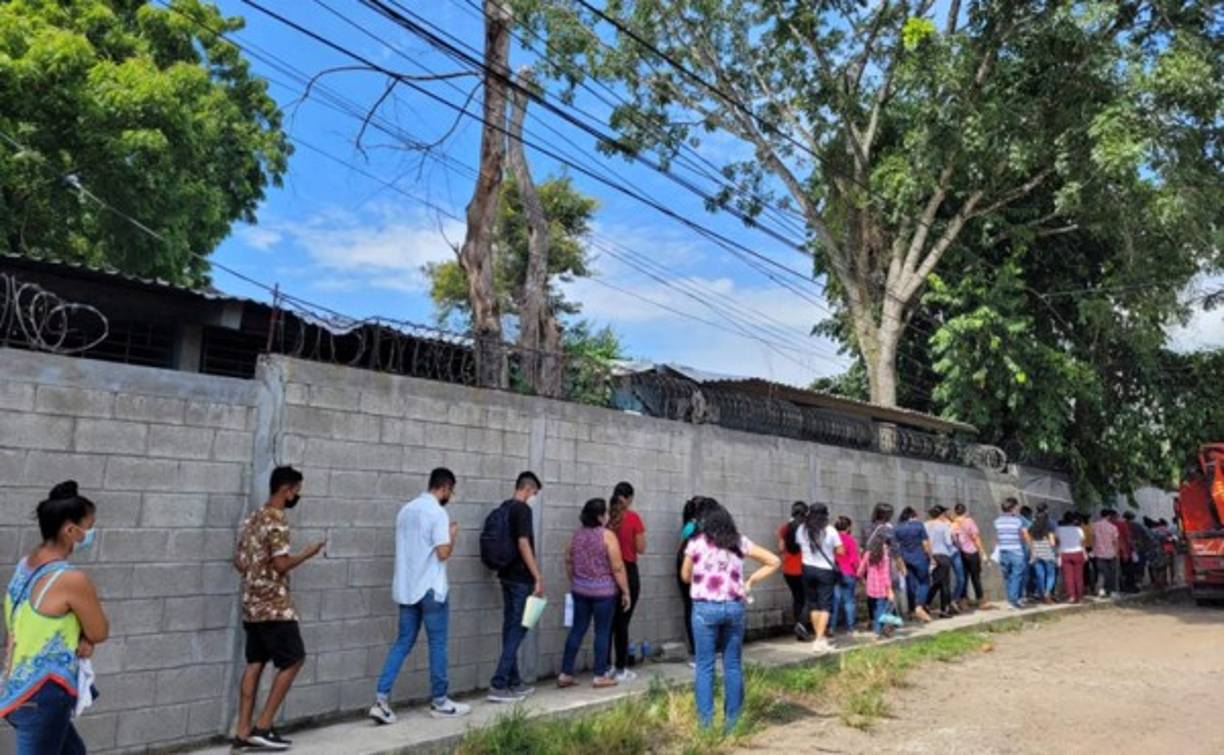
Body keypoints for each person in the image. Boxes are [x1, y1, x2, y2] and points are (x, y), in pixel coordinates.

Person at [2, 482, 108, 755]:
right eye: (89, 526)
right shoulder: (71, 579)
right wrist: (87, 636)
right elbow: (99, 630)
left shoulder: (26, 565)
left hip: (18, 685)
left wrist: (80, 636)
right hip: (44, 695)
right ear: (71, 531)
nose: (91, 534)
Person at [232, 467, 325, 750]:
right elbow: (281, 564)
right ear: (286, 489)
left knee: (255, 663)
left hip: (252, 605)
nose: (298, 495)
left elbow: (238, 561)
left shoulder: (253, 518)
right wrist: (307, 553)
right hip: (274, 606)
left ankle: (242, 730)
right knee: (294, 659)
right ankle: (263, 726)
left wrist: (255, 579)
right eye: (296, 490)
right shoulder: (277, 520)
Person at [369, 468, 469, 725]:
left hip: (407, 588)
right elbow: (443, 553)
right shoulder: (437, 513)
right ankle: (440, 701)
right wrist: (453, 534)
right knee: (438, 644)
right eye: (451, 491)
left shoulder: (406, 511)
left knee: (402, 642)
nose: (450, 496)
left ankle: (381, 700)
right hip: (431, 589)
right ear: (445, 487)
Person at [681, 502, 780, 732]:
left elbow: (685, 576)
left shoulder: (696, 543)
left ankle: (705, 727)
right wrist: (750, 582)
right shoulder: (739, 540)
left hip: (705, 609)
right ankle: (732, 726)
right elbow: (774, 561)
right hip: (734, 608)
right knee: (733, 666)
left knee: (705, 667)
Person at [558, 498, 632, 689]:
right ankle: (599, 675)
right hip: (603, 593)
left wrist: (574, 579)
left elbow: (568, 560)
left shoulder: (577, 535)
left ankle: (565, 673)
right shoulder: (607, 536)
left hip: (580, 590)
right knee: (602, 631)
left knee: (577, 629)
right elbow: (617, 566)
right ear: (600, 516)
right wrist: (625, 591)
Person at [488, 471, 544, 703]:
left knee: (510, 628)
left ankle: (514, 681)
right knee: (519, 629)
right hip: (521, 578)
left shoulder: (505, 507)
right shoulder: (523, 510)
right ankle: (499, 684)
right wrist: (537, 576)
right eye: (535, 493)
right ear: (528, 489)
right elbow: (523, 543)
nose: (535, 498)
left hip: (505, 576)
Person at [607, 482, 645, 682]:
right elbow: (641, 548)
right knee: (622, 623)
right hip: (627, 571)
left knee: (607, 623)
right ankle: (620, 667)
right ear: (629, 498)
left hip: (607, 573)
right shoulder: (633, 518)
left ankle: (605, 666)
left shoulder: (607, 519)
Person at [795, 503, 845, 652]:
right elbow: (840, 551)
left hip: (807, 569)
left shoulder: (801, 529)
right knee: (825, 606)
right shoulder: (830, 530)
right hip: (825, 571)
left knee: (813, 604)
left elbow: (800, 546)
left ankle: (820, 637)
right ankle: (818, 639)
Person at [862, 503, 906, 615]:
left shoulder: (866, 528)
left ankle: (874, 618)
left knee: (872, 592)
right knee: (887, 591)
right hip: (884, 564)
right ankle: (887, 620)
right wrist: (901, 566)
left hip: (870, 563)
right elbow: (895, 550)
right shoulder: (887, 529)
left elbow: (863, 548)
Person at [777, 501, 811, 641]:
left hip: (788, 570)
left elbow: (780, 548)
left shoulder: (784, 528)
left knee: (797, 599)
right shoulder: (807, 529)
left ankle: (798, 625)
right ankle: (802, 626)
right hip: (804, 569)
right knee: (808, 600)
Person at [894, 507, 933, 622]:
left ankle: (911, 611)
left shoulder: (897, 528)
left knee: (910, 585)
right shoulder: (919, 525)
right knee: (924, 582)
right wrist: (931, 556)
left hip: (905, 558)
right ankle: (919, 606)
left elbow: (895, 547)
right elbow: (925, 543)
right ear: (913, 515)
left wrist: (899, 562)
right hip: (919, 557)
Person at [994, 497, 1033, 609]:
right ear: (1012, 508)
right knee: (1017, 576)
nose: (1017, 509)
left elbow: (998, 537)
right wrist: (1032, 549)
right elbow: (1025, 536)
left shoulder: (997, 521)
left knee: (1008, 577)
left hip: (1003, 552)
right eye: (1016, 507)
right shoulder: (1018, 520)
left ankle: (1011, 599)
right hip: (1016, 551)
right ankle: (1013, 600)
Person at [857, 526, 896, 638]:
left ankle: (881, 628)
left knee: (875, 609)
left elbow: (861, 569)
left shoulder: (868, 553)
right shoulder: (884, 557)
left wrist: (860, 578)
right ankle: (878, 631)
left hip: (870, 587)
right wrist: (889, 590)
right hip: (882, 588)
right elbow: (885, 576)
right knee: (880, 609)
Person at [677, 498, 700, 658]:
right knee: (692, 607)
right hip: (690, 566)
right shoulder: (694, 526)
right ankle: (696, 649)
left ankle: (696, 649)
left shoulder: (687, 526)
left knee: (690, 606)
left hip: (685, 563)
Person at [953, 503, 987, 608]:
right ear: (965, 511)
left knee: (964, 577)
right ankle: (981, 601)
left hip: (960, 553)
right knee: (975, 577)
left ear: (956, 512)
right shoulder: (969, 521)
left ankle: (963, 601)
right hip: (972, 552)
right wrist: (983, 552)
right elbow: (975, 537)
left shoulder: (953, 524)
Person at [924, 506, 956, 617]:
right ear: (941, 515)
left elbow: (923, 541)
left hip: (930, 556)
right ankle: (944, 610)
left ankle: (926, 604)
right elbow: (948, 542)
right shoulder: (944, 526)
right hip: (943, 555)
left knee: (937, 581)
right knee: (945, 583)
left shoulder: (925, 525)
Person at [831, 516, 860, 635]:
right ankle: (850, 628)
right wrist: (859, 574)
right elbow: (854, 560)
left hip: (834, 573)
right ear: (848, 527)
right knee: (849, 601)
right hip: (848, 573)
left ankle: (831, 628)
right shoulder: (850, 540)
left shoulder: (831, 539)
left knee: (834, 601)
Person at [1028, 507, 1058, 603]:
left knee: (1040, 575)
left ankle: (1041, 595)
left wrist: (1032, 554)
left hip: (1036, 552)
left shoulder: (1032, 527)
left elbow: (1031, 542)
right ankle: (1047, 592)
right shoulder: (1049, 527)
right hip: (1047, 551)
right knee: (1050, 575)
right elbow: (1052, 543)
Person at [1056, 512, 1087, 603]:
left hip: (1065, 553)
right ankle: (1080, 596)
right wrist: (1085, 554)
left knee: (1068, 576)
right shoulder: (1078, 529)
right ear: (1074, 520)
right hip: (1078, 552)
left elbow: (1057, 542)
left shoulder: (1059, 529)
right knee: (1079, 576)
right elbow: (1082, 543)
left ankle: (1071, 596)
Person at [1092, 509, 1121, 597]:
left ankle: (1101, 590)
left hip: (1099, 553)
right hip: (1111, 553)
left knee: (1101, 572)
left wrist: (1094, 550)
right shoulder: (1113, 527)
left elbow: (1093, 539)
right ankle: (1112, 591)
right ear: (1108, 516)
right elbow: (1115, 541)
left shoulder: (1094, 525)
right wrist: (1117, 553)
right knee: (1113, 573)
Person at [1114, 509, 1136, 593]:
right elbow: (1127, 538)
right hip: (1125, 551)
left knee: (1118, 571)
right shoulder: (1122, 524)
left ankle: (1120, 587)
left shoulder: (1111, 525)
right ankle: (1130, 587)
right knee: (1129, 570)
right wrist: (1133, 548)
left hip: (1114, 552)